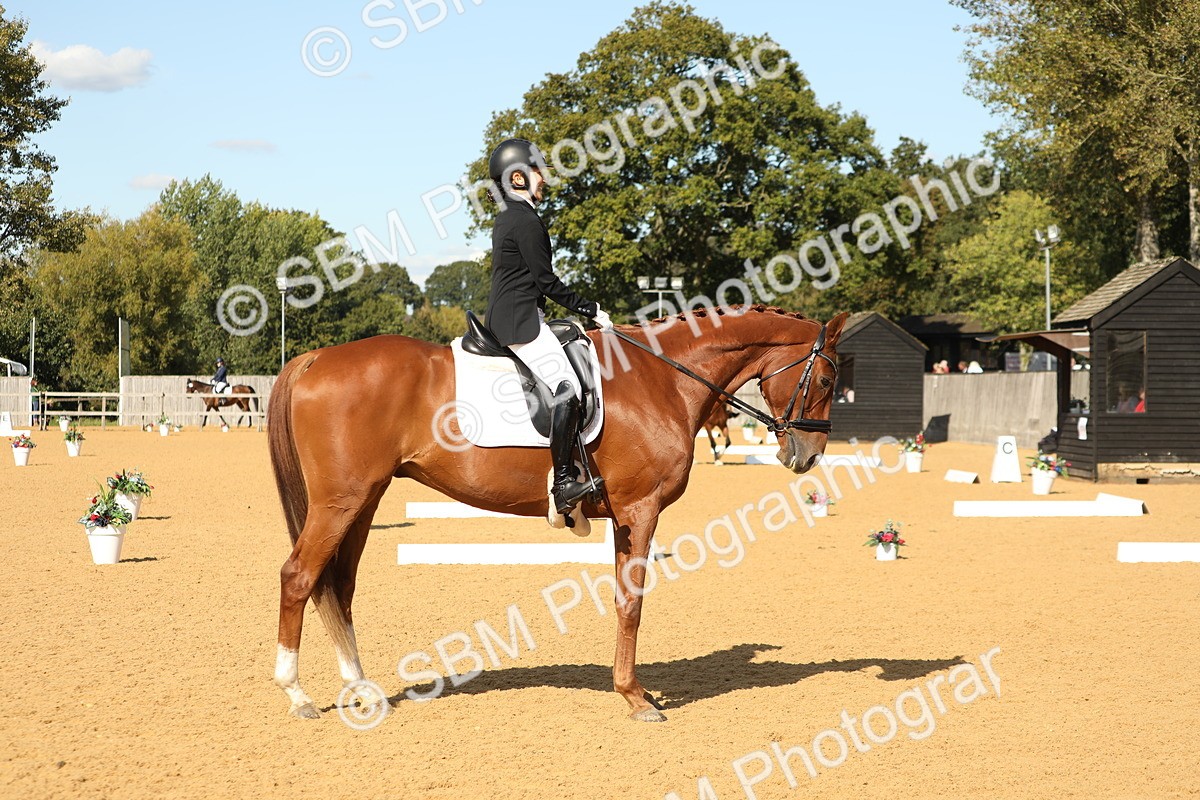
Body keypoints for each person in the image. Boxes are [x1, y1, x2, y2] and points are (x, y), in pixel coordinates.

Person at [483, 138, 613, 517]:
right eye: (539, 172)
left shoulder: (513, 216)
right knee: (568, 389)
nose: (546, 180)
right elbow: (546, 281)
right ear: (519, 177)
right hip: (519, 321)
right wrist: (590, 308)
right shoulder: (524, 220)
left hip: (519, 313)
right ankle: (562, 483)